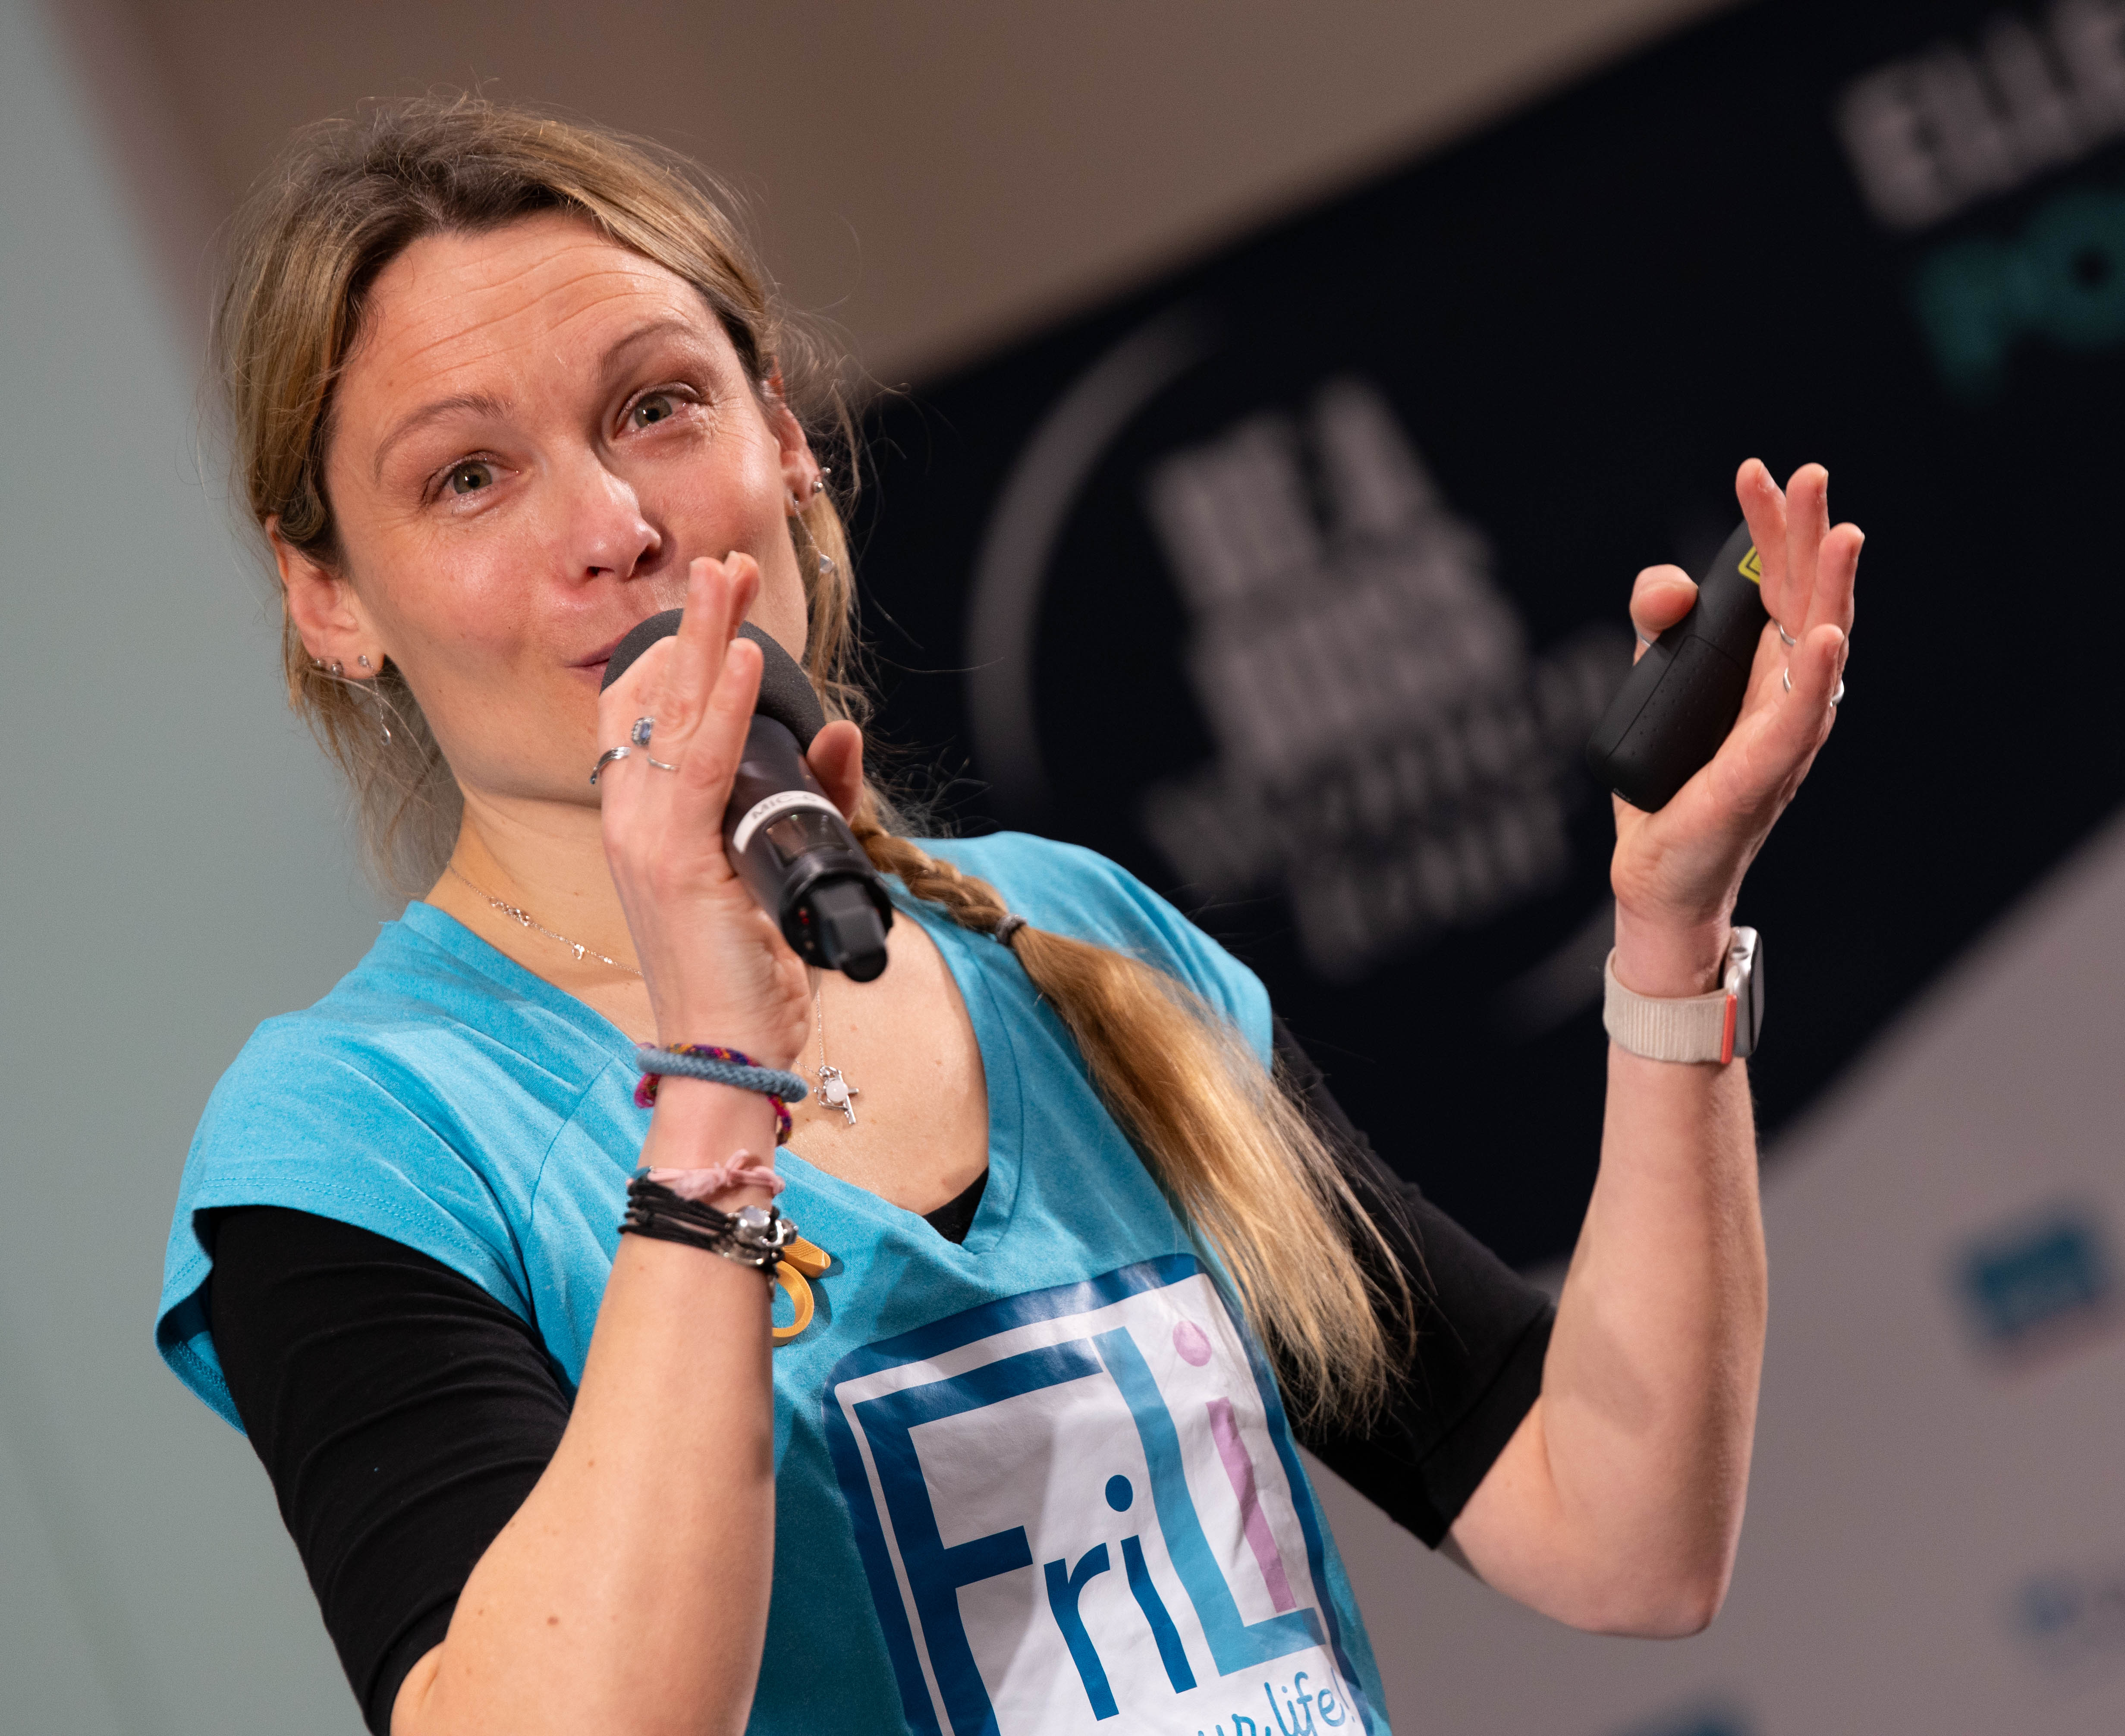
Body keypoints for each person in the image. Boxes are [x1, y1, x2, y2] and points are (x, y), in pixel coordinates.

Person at [153, 97, 1860, 1736]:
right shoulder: (362, 1132)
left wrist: (1669, 931)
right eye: (467, 477)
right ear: (329, 598)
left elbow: (1620, 1526)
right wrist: (719, 1076)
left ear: (784, 440)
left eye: (659, 407)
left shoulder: (1073, 935)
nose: (612, 529)